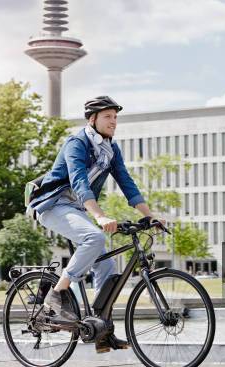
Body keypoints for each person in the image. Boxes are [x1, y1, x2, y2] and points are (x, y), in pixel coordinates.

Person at [28, 96, 162, 353]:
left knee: (107, 265)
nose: (114, 122)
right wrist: (99, 216)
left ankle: (101, 330)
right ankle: (57, 294)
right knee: (95, 237)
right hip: (53, 205)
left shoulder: (111, 149)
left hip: (77, 209)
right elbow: (79, 182)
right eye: (108, 117)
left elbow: (126, 183)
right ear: (92, 119)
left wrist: (149, 215)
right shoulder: (76, 143)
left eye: (115, 118)